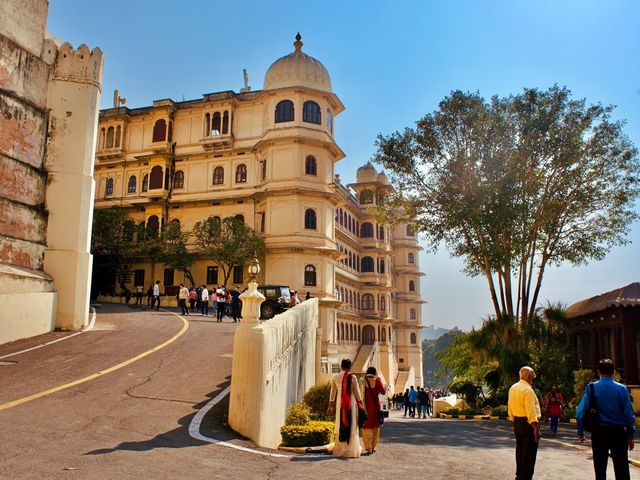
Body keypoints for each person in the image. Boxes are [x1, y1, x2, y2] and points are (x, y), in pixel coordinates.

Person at [577, 358, 635, 480]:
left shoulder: (592, 388)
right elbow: (629, 416)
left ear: (598, 371)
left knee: (600, 469)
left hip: (599, 433)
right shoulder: (622, 389)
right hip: (618, 433)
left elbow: (580, 412)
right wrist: (630, 436)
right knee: (622, 469)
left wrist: (580, 432)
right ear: (613, 372)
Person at [508, 366, 542, 480]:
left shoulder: (513, 388)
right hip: (528, 424)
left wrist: (514, 420)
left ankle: (519, 475)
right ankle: (526, 477)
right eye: (533, 376)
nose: (534, 378)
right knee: (529, 454)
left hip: (517, 422)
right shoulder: (528, 390)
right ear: (529, 377)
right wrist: (536, 430)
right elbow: (531, 412)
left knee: (520, 450)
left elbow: (510, 408)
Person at [327, 358, 363, 458]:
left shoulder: (336, 377)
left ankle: (340, 450)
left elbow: (332, 393)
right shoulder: (353, 377)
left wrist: (330, 406)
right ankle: (351, 450)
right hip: (351, 402)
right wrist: (361, 404)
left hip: (340, 402)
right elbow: (357, 393)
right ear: (350, 366)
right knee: (352, 424)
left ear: (341, 366)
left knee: (340, 423)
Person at [362, 366, 386, 454]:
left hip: (365, 407)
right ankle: (373, 446)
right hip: (375, 407)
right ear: (375, 373)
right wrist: (379, 380)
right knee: (375, 427)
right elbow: (383, 392)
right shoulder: (377, 381)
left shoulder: (362, 381)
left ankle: (368, 448)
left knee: (366, 427)